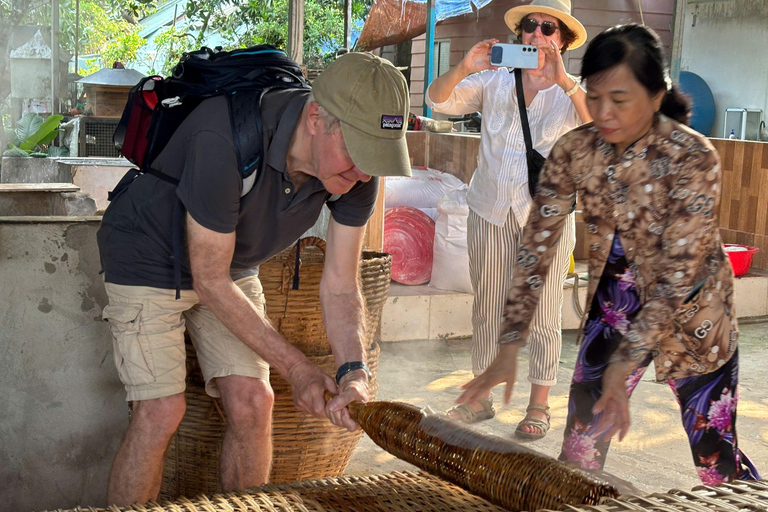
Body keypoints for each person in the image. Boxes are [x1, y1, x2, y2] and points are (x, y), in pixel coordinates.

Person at [97, 52, 411, 506]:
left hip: (229, 264)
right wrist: (299, 368)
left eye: (377, 156)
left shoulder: (358, 174)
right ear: (316, 117)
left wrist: (353, 372)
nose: (364, 171)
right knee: (161, 410)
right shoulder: (224, 133)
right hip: (148, 256)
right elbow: (209, 280)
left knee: (254, 402)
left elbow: (342, 283)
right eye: (359, 150)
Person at [459, 24, 761, 484]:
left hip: (697, 313)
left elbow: (677, 275)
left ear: (656, 95)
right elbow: (537, 246)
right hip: (615, 306)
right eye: (594, 96)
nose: (603, 113)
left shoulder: (691, 156)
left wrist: (622, 368)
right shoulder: (575, 149)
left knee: (714, 456)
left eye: (619, 100)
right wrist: (510, 343)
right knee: (579, 450)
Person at [426, 0, 591, 439]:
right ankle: (479, 397)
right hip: (491, 210)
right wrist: (463, 66)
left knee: (543, 312)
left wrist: (567, 83)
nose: (537, 34)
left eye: (548, 28)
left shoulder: (574, 91)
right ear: (520, 35)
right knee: (489, 306)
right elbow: (438, 100)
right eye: (531, 27)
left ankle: (539, 404)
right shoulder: (493, 81)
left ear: (563, 40)